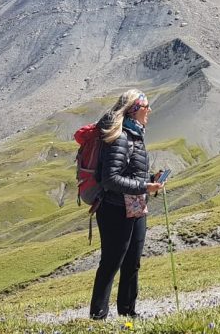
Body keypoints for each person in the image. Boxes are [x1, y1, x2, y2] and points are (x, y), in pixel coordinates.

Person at [89, 89, 164, 320]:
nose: (149, 110)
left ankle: (128, 312)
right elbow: (110, 179)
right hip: (114, 209)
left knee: (132, 261)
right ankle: (98, 316)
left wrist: (151, 181)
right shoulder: (120, 137)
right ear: (134, 109)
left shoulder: (135, 134)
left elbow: (129, 172)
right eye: (146, 106)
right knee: (112, 261)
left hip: (134, 207)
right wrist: (145, 187)